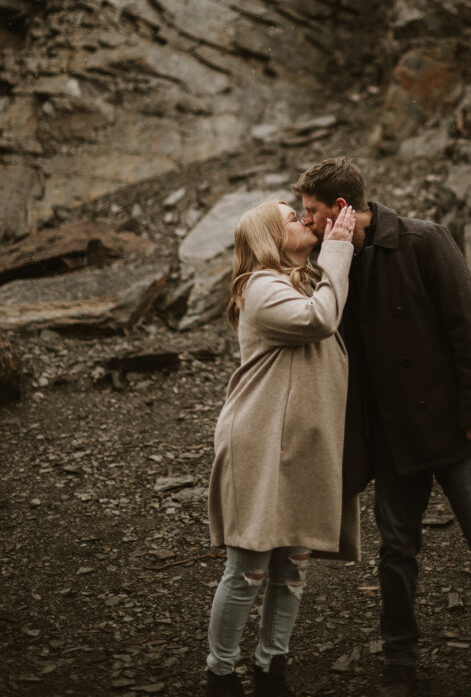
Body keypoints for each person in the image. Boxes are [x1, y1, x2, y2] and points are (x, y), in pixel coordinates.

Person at [292, 157, 471, 696]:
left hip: (455, 429)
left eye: (309, 211)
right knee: (396, 551)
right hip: (390, 439)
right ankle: (401, 659)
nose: (303, 221)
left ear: (341, 208)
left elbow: (467, 327)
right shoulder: (334, 263)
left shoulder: (423, 241)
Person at [205, 200, 359, 697]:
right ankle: (221, 674)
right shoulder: (260, 288)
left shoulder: (303, 280)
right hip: (258, 442)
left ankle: (272, 668)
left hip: (296, 446)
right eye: (292, 217)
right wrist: (338, 247)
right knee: (247, 567)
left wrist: (336, 249)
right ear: (270, 238)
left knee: (292, 565)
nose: (303, 219)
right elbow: (320, 320)